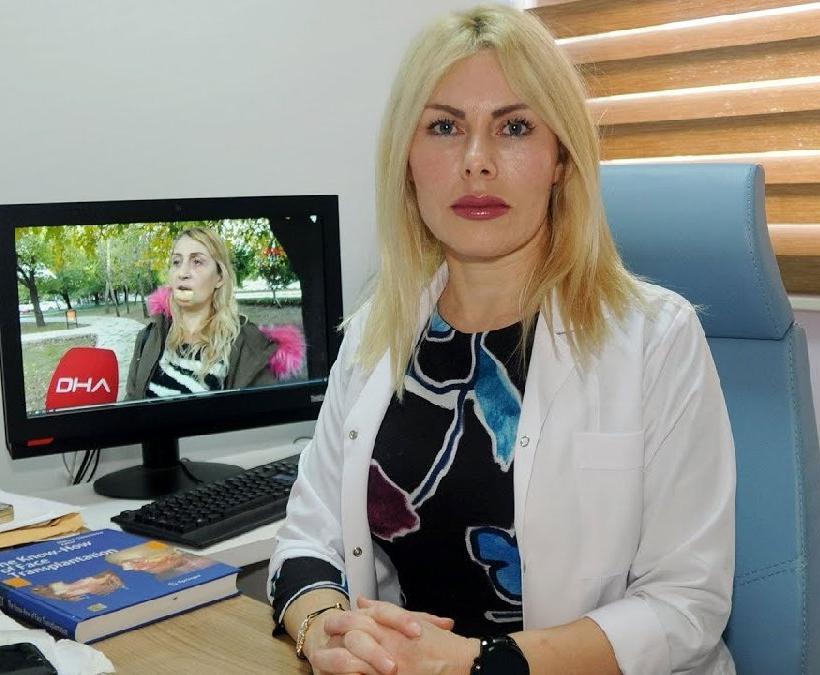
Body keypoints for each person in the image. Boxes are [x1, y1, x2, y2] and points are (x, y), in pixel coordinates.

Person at [269, 5, 735, 675]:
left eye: (514, 127)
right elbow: (307, 535)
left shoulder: (657, 337)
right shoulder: (378, 330)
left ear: (560, 159)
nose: (476, 163)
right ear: (407, 159)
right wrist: (323, 630)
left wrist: (476, 663)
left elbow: (685, 606)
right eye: (444, 127)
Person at [125, 227, 304, 400]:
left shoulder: (249, 349)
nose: (182, 273)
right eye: (176, 262)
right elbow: (130, 405)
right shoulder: (149, 337)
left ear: (219, 277)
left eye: (197, 261)